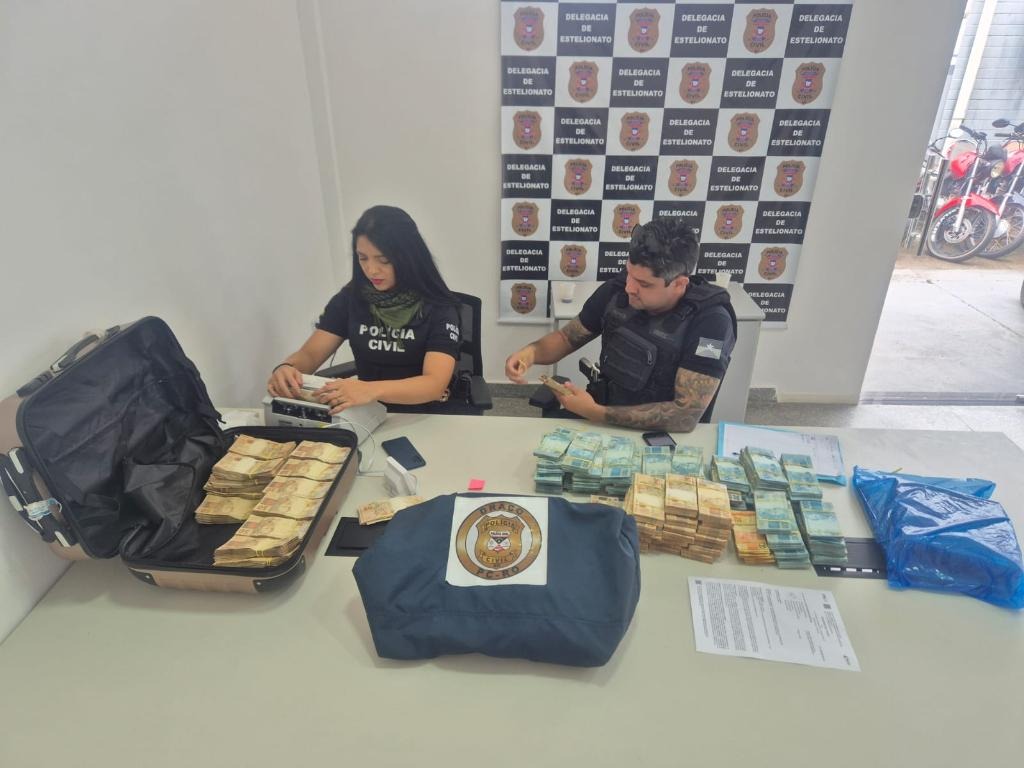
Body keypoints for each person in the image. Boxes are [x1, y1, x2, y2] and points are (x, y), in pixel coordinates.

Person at [505, 218, 737, 432]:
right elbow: (567, 338)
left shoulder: (711, 323)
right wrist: (530, 353)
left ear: (679, 284)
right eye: (629, 274)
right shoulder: (617, 291)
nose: (629, 288)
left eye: (644, 284)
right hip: (603, 418)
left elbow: (685, 415)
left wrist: (595, 412)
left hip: (661, 437)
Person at [267, 205, 461, 414]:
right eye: (363, 258)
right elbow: (310, 355)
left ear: (409, 257)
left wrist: (370, 390)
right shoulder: (351, 298)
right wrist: (287, 369)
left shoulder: (439, 307)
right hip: (367, 413)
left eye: (384, 260)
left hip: (424, 414)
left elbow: (434, 384)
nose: (371, 270)